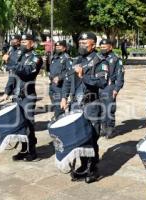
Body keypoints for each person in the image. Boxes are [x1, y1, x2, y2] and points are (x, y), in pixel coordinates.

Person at [60, 32, 109, 183]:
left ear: (93, 45)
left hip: (91, 105)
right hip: (75, 104)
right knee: (79, 137)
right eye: (80, 43)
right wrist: (63, 97)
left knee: (91, 136)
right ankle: (83, 165)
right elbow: (68, 80)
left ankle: (92, 168)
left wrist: (83, 76)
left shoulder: (100, 60)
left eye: (84, 43)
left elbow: (102, 82)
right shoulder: (76, 60)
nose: (81, 46)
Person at [9, 34, 43, 161]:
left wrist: (11, 61)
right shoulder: (19, 56)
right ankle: (23, 149)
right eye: (21, 41)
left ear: (32, 44)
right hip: (17, 95)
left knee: (28, 123)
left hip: (27, 95)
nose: (22, 44)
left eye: (25, 42)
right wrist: (8, 90)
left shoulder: (36, 58)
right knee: (19, 124)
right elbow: (12, 74)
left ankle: (32, 151)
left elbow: (27, 71)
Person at [99, 39, 124, 139]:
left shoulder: (116, 59)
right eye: (101, 47)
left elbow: (120, 75)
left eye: (105, 47)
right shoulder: (98, 57)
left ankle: (110, 128)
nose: (103, 49)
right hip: (99, 86)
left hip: (110, 87)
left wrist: (116, 89)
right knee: (100, 108)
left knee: (109, 108)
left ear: (110, 47)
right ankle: (103, 128)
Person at [49, 40, 72, 119]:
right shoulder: (54, 57)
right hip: (52, 86)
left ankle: (59, 120)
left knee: (59, 107)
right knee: (55, 105)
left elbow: (70, 72)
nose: (57, 48)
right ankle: (57, 117)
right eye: (56, 47)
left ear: (64, 48)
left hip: (60, 86)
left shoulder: (66, 58)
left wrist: (60, 77)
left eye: (60, 47)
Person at [1, 35, 22, 100]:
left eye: (14, 40)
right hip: (11, 70)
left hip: (19, 72)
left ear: (19, 41)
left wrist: (6, 92)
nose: (12, 41)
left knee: (18, 89)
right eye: (12, 40)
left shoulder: (22, 50)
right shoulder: (11, 49)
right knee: (12, 84)